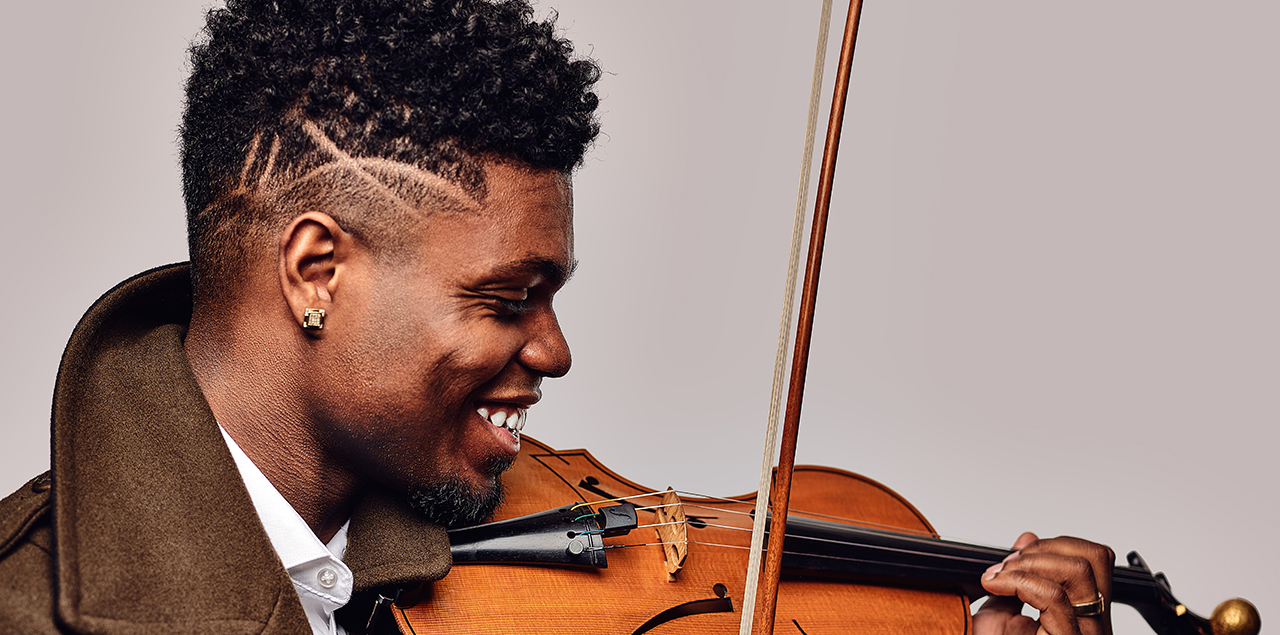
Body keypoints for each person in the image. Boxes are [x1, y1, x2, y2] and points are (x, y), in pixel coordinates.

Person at [0, 1, 1114, 634]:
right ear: (316, 271)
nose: (554, 350)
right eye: (504, 298)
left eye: (554, 296)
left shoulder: (499, 562)